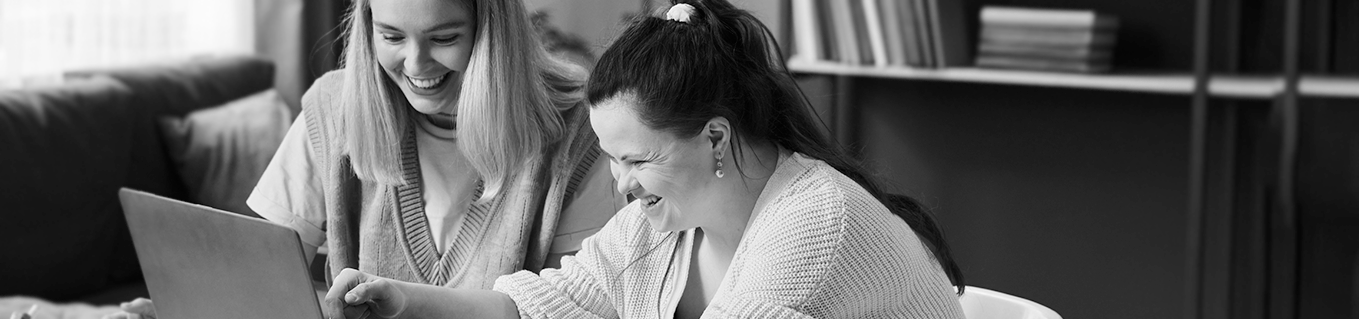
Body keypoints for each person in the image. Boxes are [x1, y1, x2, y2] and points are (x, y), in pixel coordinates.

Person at [320, 0, 967, 318]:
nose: (618, 184)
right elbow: (539, 303)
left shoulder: (808, 223)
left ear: (715, 138)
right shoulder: (662, 223)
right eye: (608, 157)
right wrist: (405, 299)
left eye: (634, 158)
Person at [97, 0, 624, 318]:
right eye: (391, 36)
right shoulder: (335, 107)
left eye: (443, 38)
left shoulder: (579, 129)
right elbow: (255, 273)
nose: (415, 65)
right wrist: (197, 309)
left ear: (492, 35)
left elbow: (571, 306)